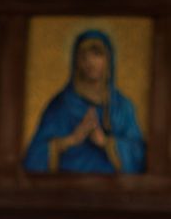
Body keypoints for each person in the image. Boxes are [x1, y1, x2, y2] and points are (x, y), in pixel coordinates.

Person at [22, 28, 146, 174]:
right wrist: (71, 140)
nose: (90, 62)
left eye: (97, 55)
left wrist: (106, 143)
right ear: (76, 62)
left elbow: (139, 155)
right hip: (65, 187)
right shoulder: (61, 105)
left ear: (108, 60)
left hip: (114, 189)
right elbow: (33, 157)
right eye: (84, 56)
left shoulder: (122, 107)